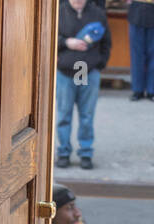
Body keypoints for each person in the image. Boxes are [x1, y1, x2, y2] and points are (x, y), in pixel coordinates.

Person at [55, 0, 111, 170]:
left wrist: (99, 65)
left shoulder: (98, 14)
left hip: (88, 71)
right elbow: (48, 38)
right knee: (63, 115)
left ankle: (85, 152)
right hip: (65, 73)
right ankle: (63, 152)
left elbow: (106, 43)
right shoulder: (59, 12)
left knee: (86, 116)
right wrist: (66, 43)